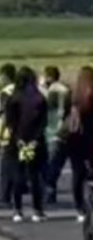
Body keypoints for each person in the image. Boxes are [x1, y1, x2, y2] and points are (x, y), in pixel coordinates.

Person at [3, 66, 49, 223]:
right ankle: (37, 210)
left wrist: (18, 140)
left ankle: (18, 210)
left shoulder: (13, 98)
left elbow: (10, 122)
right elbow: (43, 122)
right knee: (35, 176)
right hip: (36, 142)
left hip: (17, 142)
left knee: (18, 175)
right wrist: (35, 140)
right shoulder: (40, 98)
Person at [43, 66, 72, 204]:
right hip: (66, 132)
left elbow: (57, 112)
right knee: (57, 164)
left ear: (48, 76)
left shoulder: (53, 91)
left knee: (51, 164)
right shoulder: (65, 89)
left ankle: (49, 192)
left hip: (53, 131)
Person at [69, 67, 93, 224]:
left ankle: (80, 208)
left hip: (75, 139)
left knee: (77, 173)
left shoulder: (74, 96)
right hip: (90, 138)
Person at [0, 63, 18, 205]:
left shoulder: (6, 92)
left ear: (5, 76)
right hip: (20, 131)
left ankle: (4, 196)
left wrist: (0, 133)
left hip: (8, 134)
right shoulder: (19, 89)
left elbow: (5, 114)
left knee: (6, 166)